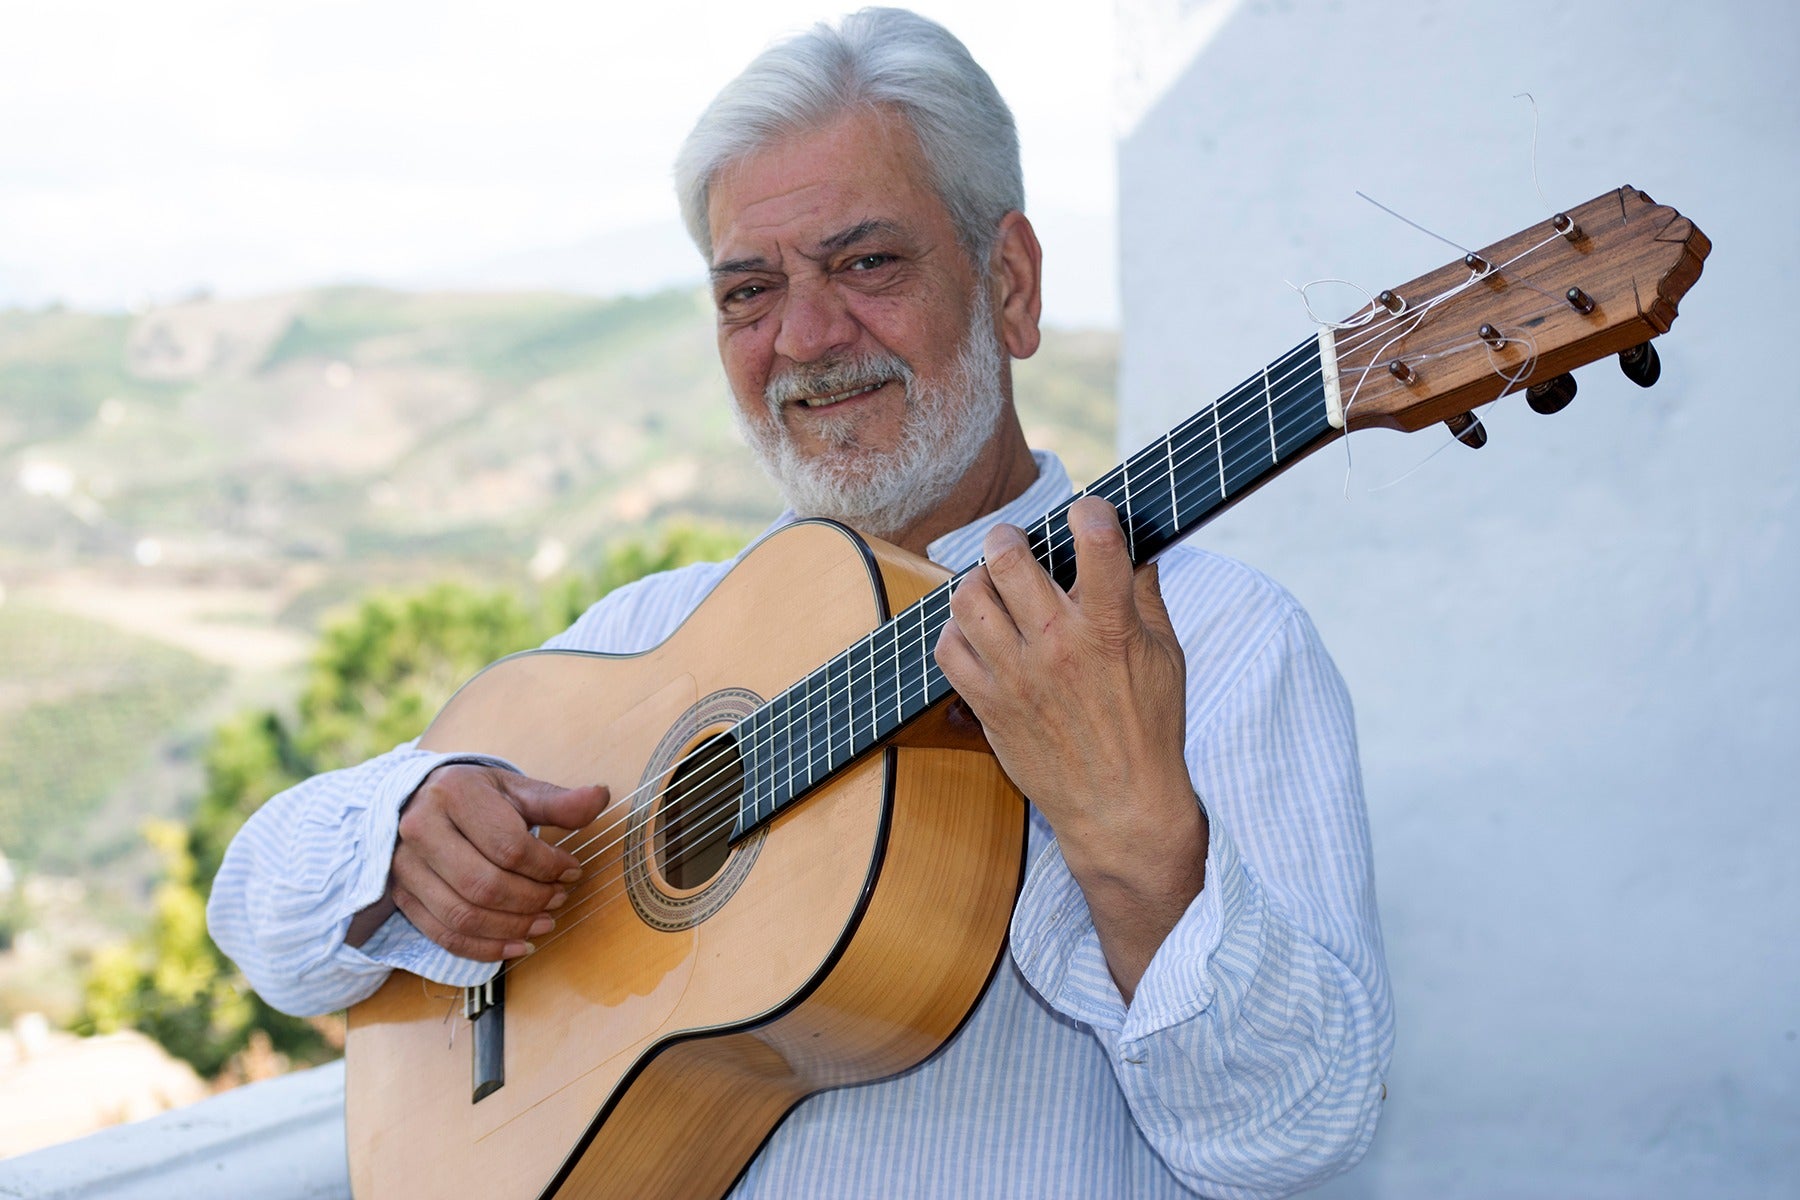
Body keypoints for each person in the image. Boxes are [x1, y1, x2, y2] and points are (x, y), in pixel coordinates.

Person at [208, 8, 1392, 1197]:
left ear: (1012, 283)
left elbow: (1289, 1139)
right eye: (748, 292)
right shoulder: (651, 635)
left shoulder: (1213, 641)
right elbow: (258, 914)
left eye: (867, 263)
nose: (807, 339)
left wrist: (1132, 832)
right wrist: (410, 821)